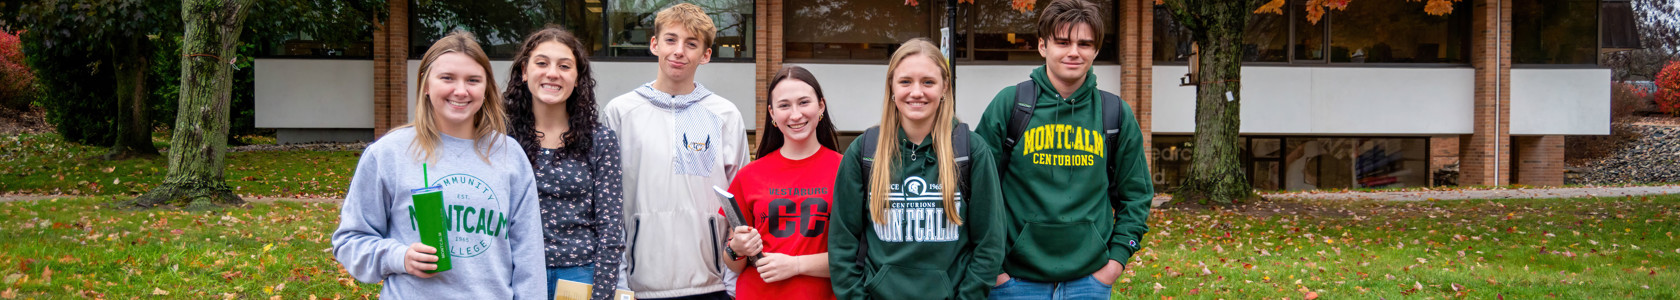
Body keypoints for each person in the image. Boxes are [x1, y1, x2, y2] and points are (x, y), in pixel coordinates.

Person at [331, 30, 545, 299]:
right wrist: (400, 257)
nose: (460, 90)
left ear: (486, 88)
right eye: (447, 78)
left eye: (473, 80)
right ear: (426, 84)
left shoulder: (508, 155)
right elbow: (350, 241)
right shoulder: (389, 153)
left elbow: (529, 257)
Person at [972, 0, 1153, 298]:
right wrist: (996, 272)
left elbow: (1137, 195)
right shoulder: (1011, 105)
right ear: (1042, 46)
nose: (1074, 52)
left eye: (1085, 43)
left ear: (1095, 51)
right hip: (1014, 282)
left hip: (1089, 283)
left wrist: (1114, 264)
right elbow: (974, 191)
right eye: (1063, 42)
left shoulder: (1114, 113)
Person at [829, 38, 1005, 300]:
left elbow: (989, 244)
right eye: (905, 81)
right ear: (891, 87)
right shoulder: (864, 152)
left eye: (928, 82)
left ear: (945, 87)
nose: (916, 92)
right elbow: (842, 245)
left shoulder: (971, 151)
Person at [600, 3, 749, 300]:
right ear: (654, 44)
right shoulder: (619, 112)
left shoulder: (725, 115)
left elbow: (740, 206)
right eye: (671, 40)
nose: (679, 51)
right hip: (638, 287)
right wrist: (618, 283)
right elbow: (607, 207)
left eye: (691, 44)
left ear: (705, 55)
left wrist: (733, 285)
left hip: (711, 286)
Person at [502, 26, 625, 300]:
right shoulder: (500, 138)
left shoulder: (600, 140)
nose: (552, 73)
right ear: (524, 71)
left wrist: (602, 294)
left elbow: (610, 228)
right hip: (514, 272)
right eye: (542, 63)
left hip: (579, 276)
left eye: (564, 66)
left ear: (578, 78)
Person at [722, 65, 842, 300]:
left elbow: (858, 258)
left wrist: (796, 265)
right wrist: (736, 248)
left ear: (821, 106)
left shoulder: (846, 170)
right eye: (784, 105)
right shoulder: (749, 176)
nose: (795, 114)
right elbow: (734, 264)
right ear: (772, 113)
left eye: (804, 102)